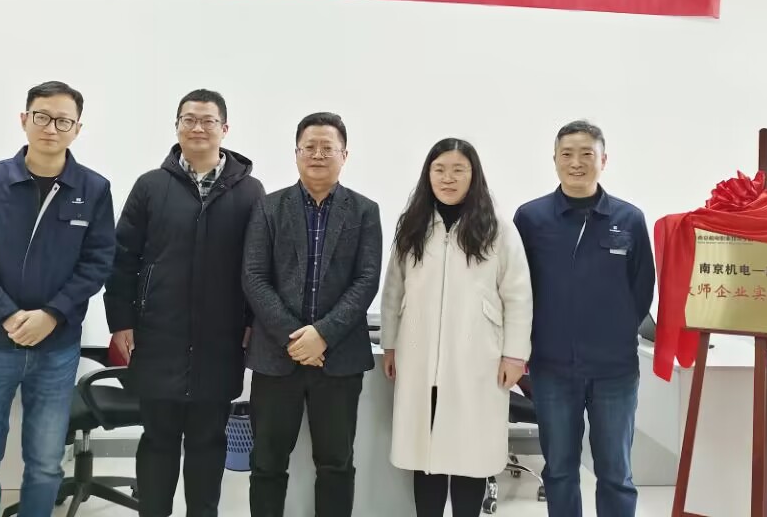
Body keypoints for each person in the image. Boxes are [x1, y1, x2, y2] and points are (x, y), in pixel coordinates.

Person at [0, 80, 115, 517]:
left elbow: (98, 263)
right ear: (24, 119)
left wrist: (52, 315)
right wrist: (7, 315)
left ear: (77, 129)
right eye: (42, 117)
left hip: (56, 348)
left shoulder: (94, 189)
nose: (51, 128)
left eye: (63, 121)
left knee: (44, 466)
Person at [104, 89, 264, 517]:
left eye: (208, 120)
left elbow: (258, 266)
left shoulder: (250, 192)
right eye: (189, 119)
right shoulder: (151, 186)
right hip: (158, 336)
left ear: (224, 129)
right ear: (176, 127)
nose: (198, 128)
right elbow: (122, 259)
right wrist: (121, 322)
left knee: (207, 442)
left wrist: (252, 322)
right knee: (158, 440)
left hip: (220, 339)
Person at [380, 138, 533, 517]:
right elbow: (394, 289)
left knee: (470, 454)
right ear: (428, 175)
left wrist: (515, 355)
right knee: (425, 454)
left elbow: (518, 295)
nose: (448, 178)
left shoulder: (497, 228)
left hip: (477, 360)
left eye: (458, 170)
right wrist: (390, 345)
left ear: (473, 175)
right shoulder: (413, 226)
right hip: (420, 357)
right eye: (439, 170)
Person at [513, 120, 655, 517]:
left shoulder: (629, 218)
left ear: (603, 160)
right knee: (559, 470)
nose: (576, 162)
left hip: (615, 369)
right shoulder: (531, 218)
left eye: (586, 154)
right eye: (567, 154)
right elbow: (518, 288)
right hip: (552, 367)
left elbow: (642, 288)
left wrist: (613, 332)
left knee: (616, 471)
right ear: (555, 159)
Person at [243, 112, 382, 517]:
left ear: (344, 155)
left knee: (336, 463)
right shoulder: (269, 207)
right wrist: (295, 337)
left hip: (338, 359)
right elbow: (253, 276)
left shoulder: (364, 210)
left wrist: (322, 334)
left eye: (327, 148)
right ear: (297, 153)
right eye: (310, 147)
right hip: (276, 357)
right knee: (266, 463)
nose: (318, 155)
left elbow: (367, 280)